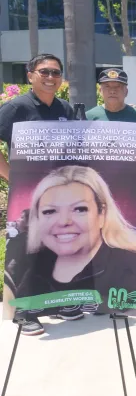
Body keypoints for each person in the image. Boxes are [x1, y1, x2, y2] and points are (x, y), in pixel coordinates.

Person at [3, 166, 136, 322]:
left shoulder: (132, 267)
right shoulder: (23, 265)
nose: (64, 221)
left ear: (102, 214)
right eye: (50, 211)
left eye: (80, 209)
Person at [0, 53, 74, 335]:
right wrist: (11, 176)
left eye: (56, 72)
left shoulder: (64, 108)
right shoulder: (16, 108)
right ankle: (23, 311)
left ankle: (56, 302)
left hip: (59, 196)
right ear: (30, 75)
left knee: (56, 249)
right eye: (44, 72)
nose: (50, 77)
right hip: (27, 197)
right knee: (26, 250)